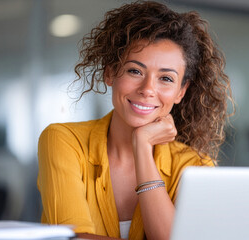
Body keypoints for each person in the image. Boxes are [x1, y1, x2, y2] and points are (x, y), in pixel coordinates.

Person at [37, 1, 233, 240]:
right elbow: (72, 238)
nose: (148, 89)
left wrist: (142, 146)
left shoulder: (196, 168)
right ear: (110, 73)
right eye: (135, 71)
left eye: (166, 78)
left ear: (181, 91)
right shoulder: (64, 141)